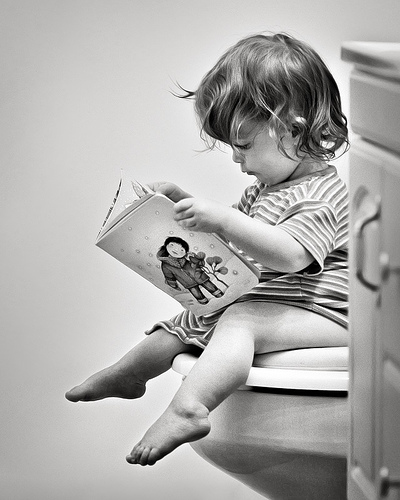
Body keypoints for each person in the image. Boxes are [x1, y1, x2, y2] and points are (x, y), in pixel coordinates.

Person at [65, 32, 350, 466]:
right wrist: (177, 205)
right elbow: (228, 242)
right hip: (284, 301)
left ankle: (189, 408)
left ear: (292, 126)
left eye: (244, 145)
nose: (237, 160)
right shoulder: (268, 189)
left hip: (329, 313)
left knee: (239, 319)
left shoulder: (318, 195)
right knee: (191, 318)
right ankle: (130, 374)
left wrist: (223, 217)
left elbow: (291, 255)